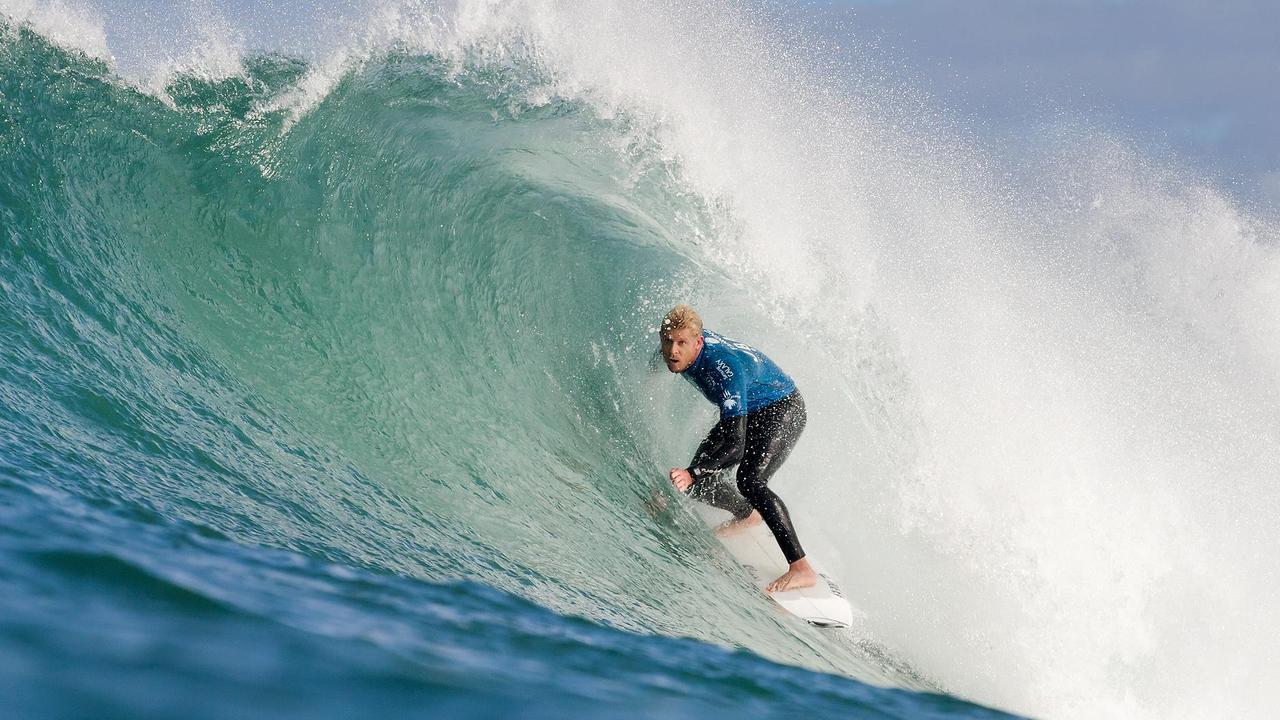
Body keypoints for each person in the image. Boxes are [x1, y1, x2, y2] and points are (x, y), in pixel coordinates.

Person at [659, 304, 817, 593]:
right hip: (749, 408)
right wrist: (695, 476)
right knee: (698, 484)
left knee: (750, 480)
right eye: (668, 341)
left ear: (698, 342)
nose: (673, 351)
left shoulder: (724, 369)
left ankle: (801, 568)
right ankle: (747, 514)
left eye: (681, 343)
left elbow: (736, 444)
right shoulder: (678, 348)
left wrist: (692, 471)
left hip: (781, 408)